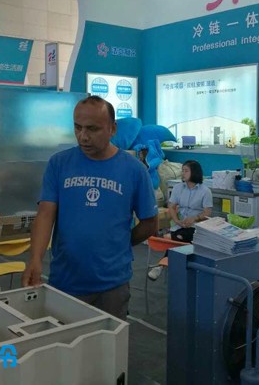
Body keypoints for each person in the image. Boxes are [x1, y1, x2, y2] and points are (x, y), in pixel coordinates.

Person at [22, 95, 158, 320]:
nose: (83, 136)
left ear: (112, 129)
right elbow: (45, 214)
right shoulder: (59, 163)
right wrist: (35, 258)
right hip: (65, 279)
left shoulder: (134, 170)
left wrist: (120, 243)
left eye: (93, 129)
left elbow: (150, 223)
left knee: (108, 340)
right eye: (78, 127)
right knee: (63, 339)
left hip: (112, 284)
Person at [148, 160, 212, 281]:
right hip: (180, 226)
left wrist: (194, 218)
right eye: (182, 171)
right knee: (179, 237)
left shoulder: (205, 191)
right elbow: (171, 206)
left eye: (186, 171)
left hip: (196, 227)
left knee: (174, 238)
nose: (182, 173)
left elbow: (207, 212)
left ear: (194, 172)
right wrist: (177, 220)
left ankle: (161, 266)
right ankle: (168, 266)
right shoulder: (178, 188)